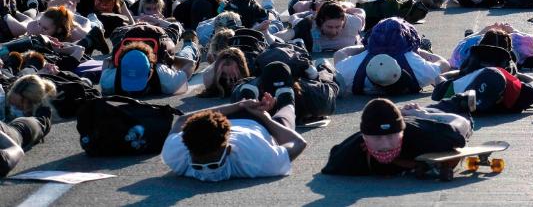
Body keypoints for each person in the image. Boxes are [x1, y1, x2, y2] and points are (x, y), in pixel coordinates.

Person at [161, 91, 308, 181]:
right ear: (188, 150)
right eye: (197, 165)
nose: (206, 175)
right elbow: (182, 121)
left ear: (229, 149)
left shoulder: (254, 156)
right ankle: (250, 96)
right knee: (280, 118)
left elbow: (299, 143)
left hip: (256, 123)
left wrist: (264, 118)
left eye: (214, 164)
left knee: (285, 113)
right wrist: (240, 107)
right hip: (240, 119)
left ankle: (285, 97)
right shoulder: (177, 151)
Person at [321, 98, 472, 176]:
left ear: (402, 133)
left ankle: (456, 101)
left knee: (434, 112)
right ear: (365, 138)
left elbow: (462, 123)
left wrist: (420, 115)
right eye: (378, 138)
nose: (385, 144)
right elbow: (334, 157)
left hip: (424, 120)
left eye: (391, 136)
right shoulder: (346, 157)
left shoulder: (425, 136)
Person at [0, 75, 54, 177]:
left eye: (18, 106)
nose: (13, 108)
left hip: (21, 129)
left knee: (42, 121)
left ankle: (43, 109)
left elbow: (16, 151)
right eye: (11, 103)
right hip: (11, 129)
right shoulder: (5, 97)